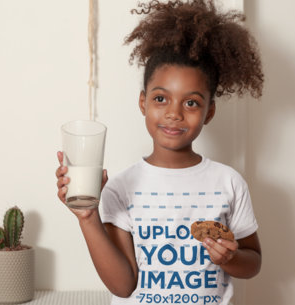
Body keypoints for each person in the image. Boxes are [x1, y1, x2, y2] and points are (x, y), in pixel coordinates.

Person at [56, 1, 264, 304]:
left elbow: (253, 262)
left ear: (209, 111)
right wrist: (88, 218)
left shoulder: (228, 182)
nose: (174, 114)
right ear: (143, 103)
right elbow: (124, 285)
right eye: (161, 99)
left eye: (191, 102)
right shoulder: (121, 187)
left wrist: (229, 258)